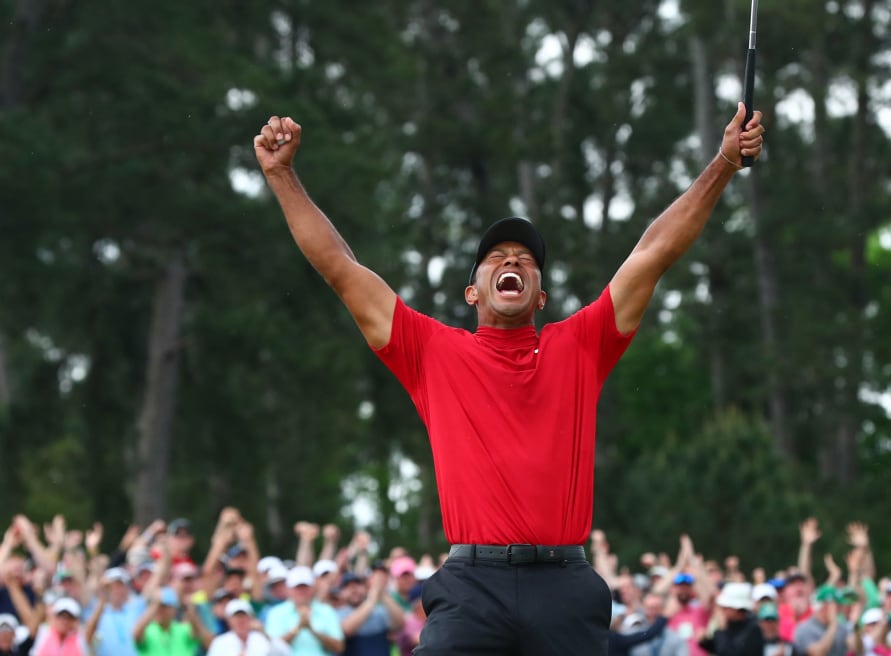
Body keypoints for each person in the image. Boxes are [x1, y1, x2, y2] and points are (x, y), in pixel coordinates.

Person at [253, 97, 764, 655]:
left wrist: (723, 163)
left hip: (564, 585)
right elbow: (340, 267)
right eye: (496, 257)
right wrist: (282, 176)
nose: (513, 261)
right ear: (472, 291)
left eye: (526, 258)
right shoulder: (431, 351)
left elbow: (654, 252)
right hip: (472, 587)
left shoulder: (581, 344)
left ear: (540, 296)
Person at [699, 583, 764, 656]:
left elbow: (729, 652)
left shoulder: (753, 629)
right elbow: (719, 647)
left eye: (725, 607)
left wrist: (722, 629)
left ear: (736, 609)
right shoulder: (730, 625)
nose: (722, 610)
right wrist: (704, 642)